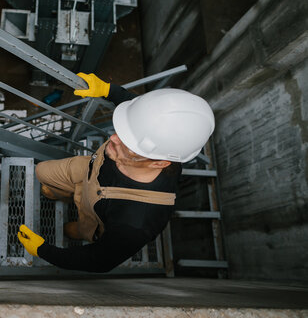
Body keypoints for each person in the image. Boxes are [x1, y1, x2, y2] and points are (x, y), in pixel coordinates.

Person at [17, 72, 215, 272]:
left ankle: (73, 216)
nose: (113, 139)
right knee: (42, 172)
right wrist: (108, 90)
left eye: (128, 144)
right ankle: (65, 195)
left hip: (93, 214)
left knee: (74, 230)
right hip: (88, 170)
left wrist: (43, 250)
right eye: (122, 133)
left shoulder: (135, 224)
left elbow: (99, 260)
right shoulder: (160, 143)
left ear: (160, 163)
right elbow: (136, 111)